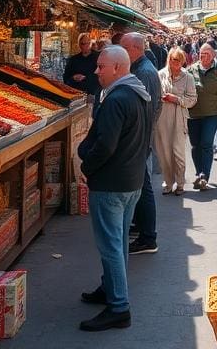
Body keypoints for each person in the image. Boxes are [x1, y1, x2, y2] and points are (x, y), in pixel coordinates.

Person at [78, 46, 153, 331]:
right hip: (130, 180)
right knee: (118, 242)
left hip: (111, 184)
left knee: (110, 245)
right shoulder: (138, 94)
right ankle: (109, 289)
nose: (96, 72)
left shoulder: (117, 99)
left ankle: (119, 307)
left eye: (100, 66)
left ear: (118, 68)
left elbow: (105, 146)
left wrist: (86, 167)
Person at [120, 33, 161, 255]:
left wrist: (139, 137)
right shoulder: (142, 68)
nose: (122, 51)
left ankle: (148, 237)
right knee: (141, 183)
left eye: (124, 48)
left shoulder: (144, 72)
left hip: (141, 138)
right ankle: (142, 227)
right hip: (143, 136)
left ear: (135, 48)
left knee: (143, 185)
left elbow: (147, 108)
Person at [154, 48, 196, 196]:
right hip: (163, 117)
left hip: (179, 116)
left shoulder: (188, 77)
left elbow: (192, 100)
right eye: (173, 60)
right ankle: (168, 182)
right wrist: (162, 97)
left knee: (178, 152)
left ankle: (180, 183)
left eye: (178, 61)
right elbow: (155, 95)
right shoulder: (160, 75)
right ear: (168, 59)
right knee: (164, 152)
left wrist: (177, 99)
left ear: (183, 61)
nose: (175, 63)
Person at [188, 43, 217, 189]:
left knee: (206, 143)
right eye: (201, 53)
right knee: (195, 145)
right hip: (193, 113)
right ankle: (198, 173)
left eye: (206, 53)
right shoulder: (191, 70)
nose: (203, 56)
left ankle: (205, 176)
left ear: (213, 56)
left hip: (212, 113)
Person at [64, 33, 101, 108]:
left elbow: (101, 75)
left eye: (87, 43)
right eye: (82, 43)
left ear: (90, 43)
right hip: (77, 95)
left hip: (93, 94)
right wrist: (73, 78)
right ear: (79, 44)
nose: (85, 46)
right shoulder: (73, 59)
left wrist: (86, 78)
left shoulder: (98, 57)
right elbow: (66, 78)